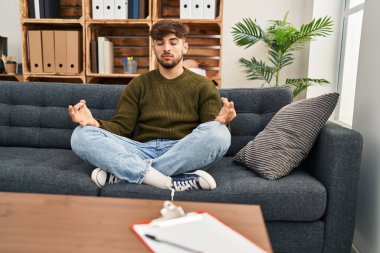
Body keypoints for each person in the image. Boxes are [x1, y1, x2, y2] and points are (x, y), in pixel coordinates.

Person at [68, 20, 236, 192]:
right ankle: (166, 181)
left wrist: (221, 121)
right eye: (160, 43)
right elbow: (122, 127)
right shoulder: (139, 84)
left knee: (219, 133)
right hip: (140, 149)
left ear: (185, 47)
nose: (166, 48)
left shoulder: (203, 85)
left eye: (173, 42)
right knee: (81, 135)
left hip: (181, 150)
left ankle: (127, 173)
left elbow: (209, 131)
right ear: (154, 48)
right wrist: (94, 123)